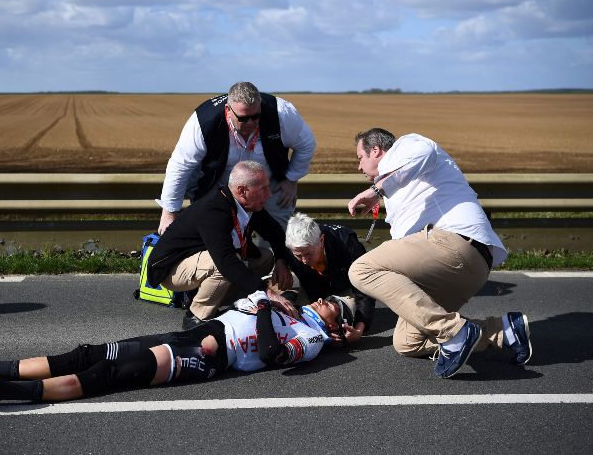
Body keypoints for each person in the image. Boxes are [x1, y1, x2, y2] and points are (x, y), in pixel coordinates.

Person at [0, 291, 355, 406]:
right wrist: (260, 300)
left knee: (110, 376)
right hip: (198, 334)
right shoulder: (292, 306)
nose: (324, 301)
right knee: (89, 354)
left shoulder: (312, 338)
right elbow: (235, 313)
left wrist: (263, 304)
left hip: (208, 356)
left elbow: (269, 354)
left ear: (338, 327)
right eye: (328, 296)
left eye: (335, 305)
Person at [346, 128, 532, 379]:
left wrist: (377, 190)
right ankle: (503, 331)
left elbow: (423, 154)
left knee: (361, 269)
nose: (359, 167)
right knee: (407, 342)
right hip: (465, 266)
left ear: (376, 150)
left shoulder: (407, 145)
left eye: (360, 158)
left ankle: (454, 333)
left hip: (455, 243)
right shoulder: (395, 193)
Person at [147, 160, 295, 329]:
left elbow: (276, 233)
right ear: (242, 191)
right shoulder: (214, 211)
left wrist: (281, 261)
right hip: (171, 269)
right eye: (263, 189)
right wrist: (267, 292)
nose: (268, 195)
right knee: (221, 266)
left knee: (266, 257)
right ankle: (197, 317)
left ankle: (232, 300)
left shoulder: (249, 205)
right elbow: (225, 261)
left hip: (204, 260)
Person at [157, 81, 316, 234]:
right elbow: (180, 166)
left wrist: (291, 179)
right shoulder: (203, 122)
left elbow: (306, 144)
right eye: (243, 118)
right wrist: (170, 212)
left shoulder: (281, 113)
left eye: (256, 116)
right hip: (218, 182)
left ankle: (276, 259)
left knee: (279, 228)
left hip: (271, 179)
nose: (250, 123)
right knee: (214, 228)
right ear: (228, 110)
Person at [282, 212, 377, 345]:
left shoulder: (347, 242)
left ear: (321, 241)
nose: (304, 260)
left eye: (308, 254)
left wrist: (359, 330)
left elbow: (364, 288)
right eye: (298, 255)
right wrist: (280, 263)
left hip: (346, 286)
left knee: (346, 319)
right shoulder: (291, 247)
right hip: (313, 287)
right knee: (297, 318)